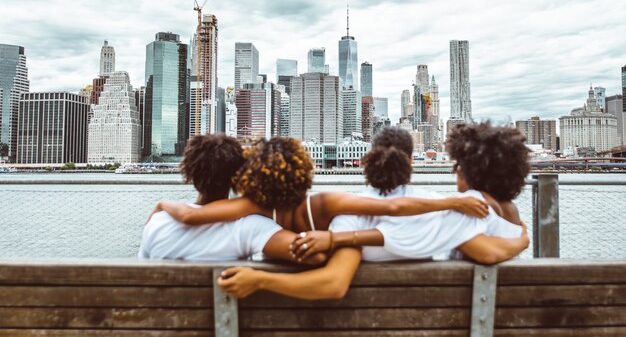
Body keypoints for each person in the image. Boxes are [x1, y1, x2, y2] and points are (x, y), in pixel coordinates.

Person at [217, 125, 530, 299]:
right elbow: (484, 250)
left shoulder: (347, 216)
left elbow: (334, 280)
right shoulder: (440, 208)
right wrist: (522, 240)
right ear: (409, 162)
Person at [140, 134, 485, 264]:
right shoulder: (322, 204)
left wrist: (162, 206)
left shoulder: (250, 210)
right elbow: (392, 206)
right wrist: (450, 203)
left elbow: (191, 217)